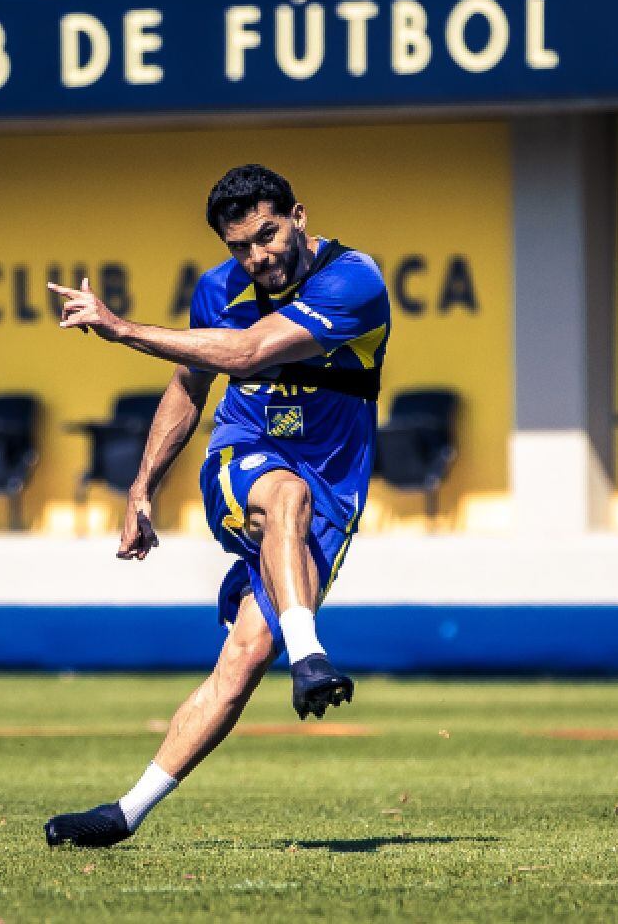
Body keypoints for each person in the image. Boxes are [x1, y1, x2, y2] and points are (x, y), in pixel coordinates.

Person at [42, 163, 391, 848]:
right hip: (245, 456)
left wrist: (122, 329)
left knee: (247, 654)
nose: (257, 256)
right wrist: (142, 488)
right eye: (240, 247)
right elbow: (189, 388)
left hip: (334, 483)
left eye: (266, 234)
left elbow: (250, 350)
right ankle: (312, 655)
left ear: (298, 214)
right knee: (281, 494)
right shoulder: (217, 290)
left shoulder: (355, 280)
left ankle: (124, 813)